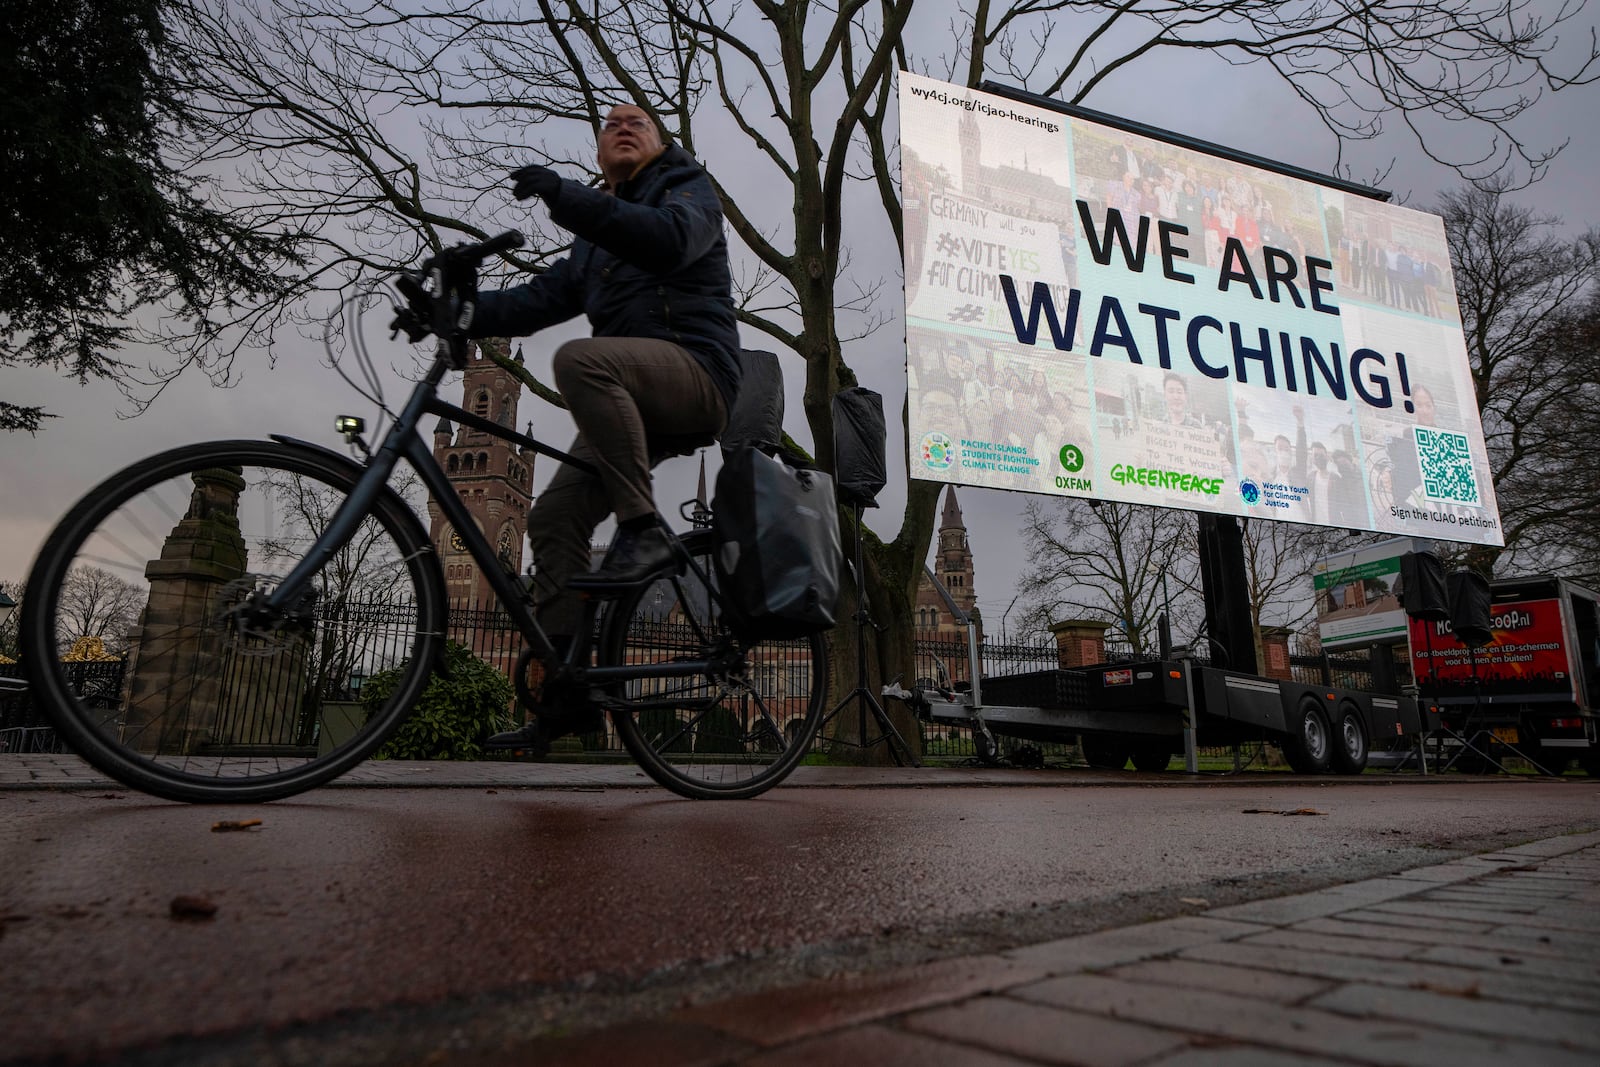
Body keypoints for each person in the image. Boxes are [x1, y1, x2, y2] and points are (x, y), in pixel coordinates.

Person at [464, 104, 741, 748]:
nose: (623, 126)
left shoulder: (688, 190)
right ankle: (568, 695)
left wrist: (564, 200)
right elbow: (540, 300)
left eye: (638, 123)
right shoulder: (592, 239)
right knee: (554, 519)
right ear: (597, 153)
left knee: (578, 360)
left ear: (660, 144)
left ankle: (643, 530)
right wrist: (460, 311)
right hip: (624, 394)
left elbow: (666, 239)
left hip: (696, 376)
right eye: (610, 124)